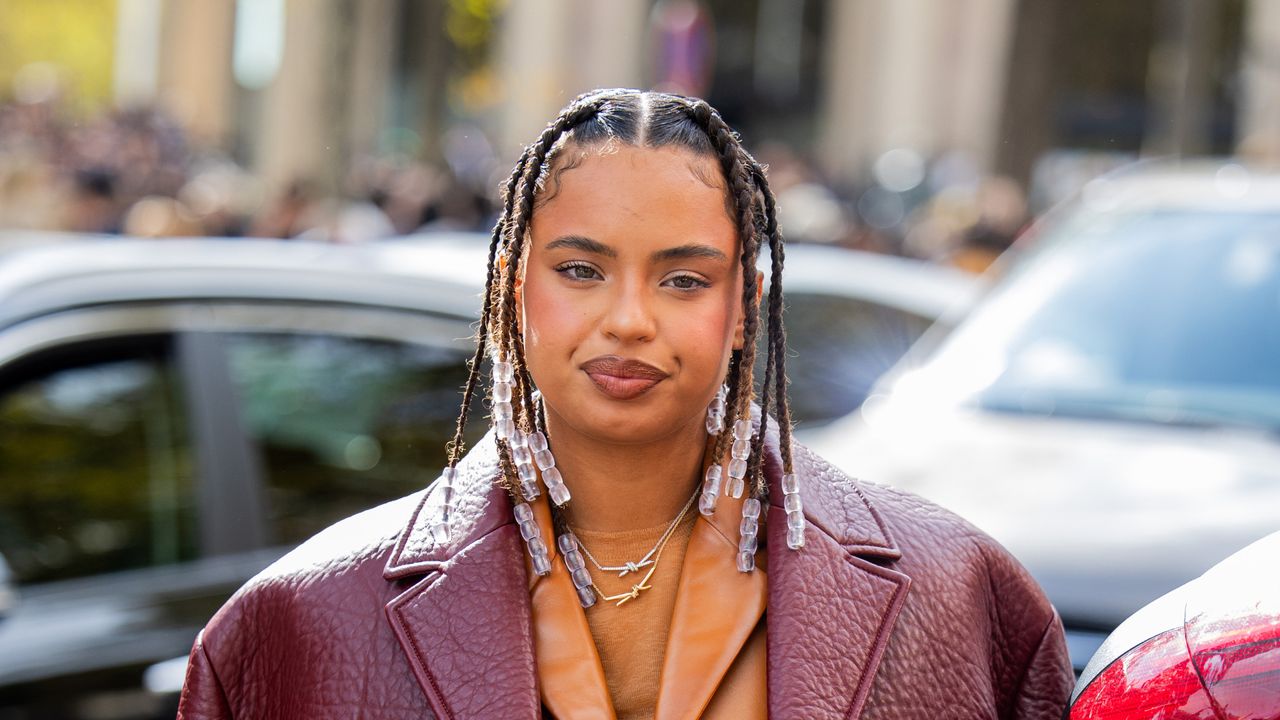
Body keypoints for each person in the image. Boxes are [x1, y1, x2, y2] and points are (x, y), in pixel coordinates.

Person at [177, 89, 1073, 719]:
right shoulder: (298, 621)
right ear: (511, 289)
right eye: (581, 270)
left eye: (684, 279)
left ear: (741, 312)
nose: (631, 319)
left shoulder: (957, 596)